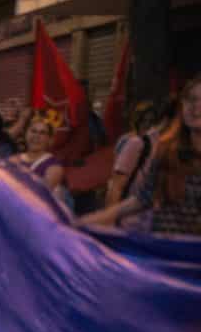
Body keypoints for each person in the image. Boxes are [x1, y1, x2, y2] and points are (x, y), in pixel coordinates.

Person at [81, 75, 201, 236]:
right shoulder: (167, 152)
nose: (196, 107)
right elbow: (141, 199)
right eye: (191, 99)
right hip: (161, 251)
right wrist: (85, 222)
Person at [104, 102, 159, 207]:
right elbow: (116, 172)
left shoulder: (153, 140)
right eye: (144, 120)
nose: (146, 124)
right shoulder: (127, 140)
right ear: (137, 120)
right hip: (124, 194)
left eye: (150, 121)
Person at [11, 118, 64, 194]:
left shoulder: (54, 167)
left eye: (42, 133)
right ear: (25, 134)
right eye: (33, 131)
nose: (36, 136)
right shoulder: (13, 159)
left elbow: (42, 194)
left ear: (49, 139)